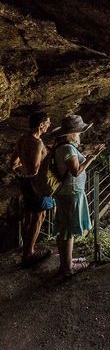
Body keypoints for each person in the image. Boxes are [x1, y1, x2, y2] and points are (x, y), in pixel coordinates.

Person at [52, 114, 104, 277]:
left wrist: (87, 154)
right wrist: (91, 158)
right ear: (72, 133)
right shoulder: (67, 148)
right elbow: (75, 171)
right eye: (79, 132)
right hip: (71, 192)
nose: (80, 134)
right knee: (67, 230)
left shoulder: (62, 146)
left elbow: (71, 162)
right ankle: (66, 268)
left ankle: (66, 261)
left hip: (65, 192)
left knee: (64, 227)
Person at [9, 110, 54, 267]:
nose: (49, 125)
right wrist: (44, 154)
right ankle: (29, 254)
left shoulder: (22, 139)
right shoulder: (37, 142)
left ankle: (26, 250)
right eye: (48, 123)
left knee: (29, 216)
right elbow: (35, 169)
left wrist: (23, 168)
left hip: (24, 182)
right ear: (41, 125)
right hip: (36, 184)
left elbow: (13, 164)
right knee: (39, 217)